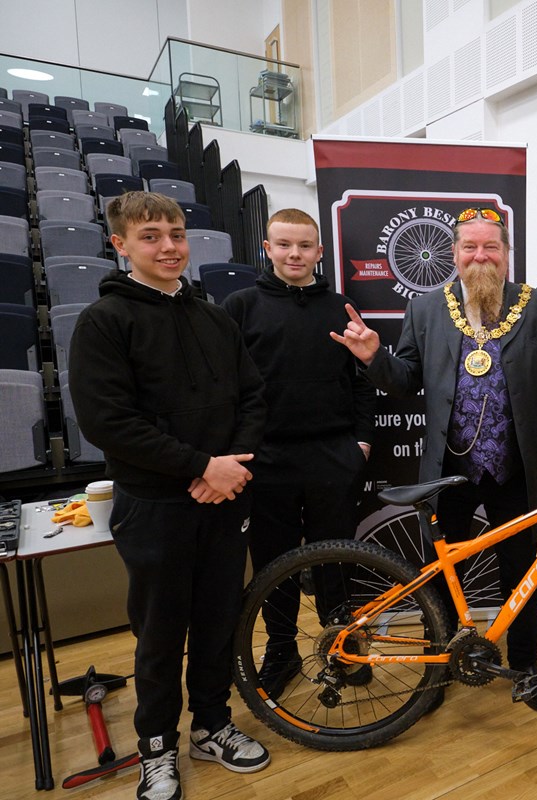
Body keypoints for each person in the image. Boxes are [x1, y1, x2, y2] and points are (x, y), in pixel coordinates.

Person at [332, 206, 537, 711]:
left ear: (507, 255)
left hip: (516, 464)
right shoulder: (425, 309)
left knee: (521, 570)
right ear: (454, 254)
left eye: (491, 247)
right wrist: (374, 359)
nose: (480, 255)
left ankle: (526, 665)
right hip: (448, 470)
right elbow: (404, 383)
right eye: (470, 247)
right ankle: (440, 663)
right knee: (442, 574)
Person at [69, 192, 270, 800]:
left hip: (224, 500)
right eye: (151, 235)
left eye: (177, 233)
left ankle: (212, 724)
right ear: (121, 244)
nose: (169, 247)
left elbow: (253, 400)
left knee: (217, 623)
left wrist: (226, 471)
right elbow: (108, 422)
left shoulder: (215, 318)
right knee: (160, 634)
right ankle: (156, 746)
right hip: (154, 506)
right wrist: (200, 466)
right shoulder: (104, 322)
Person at [222, 208, 376, 697]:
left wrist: (362, 442)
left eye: (304, 245)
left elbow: (364, 381)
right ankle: (282, 651)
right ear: (266, 249)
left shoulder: (341, 307)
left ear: (319, 251)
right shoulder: (240, 307)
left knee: (337, 561)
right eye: (284, 245)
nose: (294, 254)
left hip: (333, 455)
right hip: (267, 462)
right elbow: (227, 388)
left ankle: (343, 649)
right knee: (274, 564)